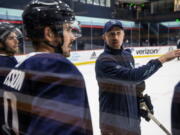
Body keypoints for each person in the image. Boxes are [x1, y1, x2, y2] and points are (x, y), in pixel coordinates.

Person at [0, 0, 93, 135]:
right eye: (67, 29)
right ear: (49, 34)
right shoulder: (57, 69)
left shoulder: (19, 68)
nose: (73, 37)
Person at [95, 20, 180, 135]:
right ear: (104, 37)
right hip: (113, 127)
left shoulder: (128, 56)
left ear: (123, 34)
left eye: (118, 33)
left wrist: (139, 100)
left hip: (133, 123)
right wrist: (162, 59)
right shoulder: (104, 61)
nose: (115, 36)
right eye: (111, 34)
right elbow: (133, 76)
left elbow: (135, 84)